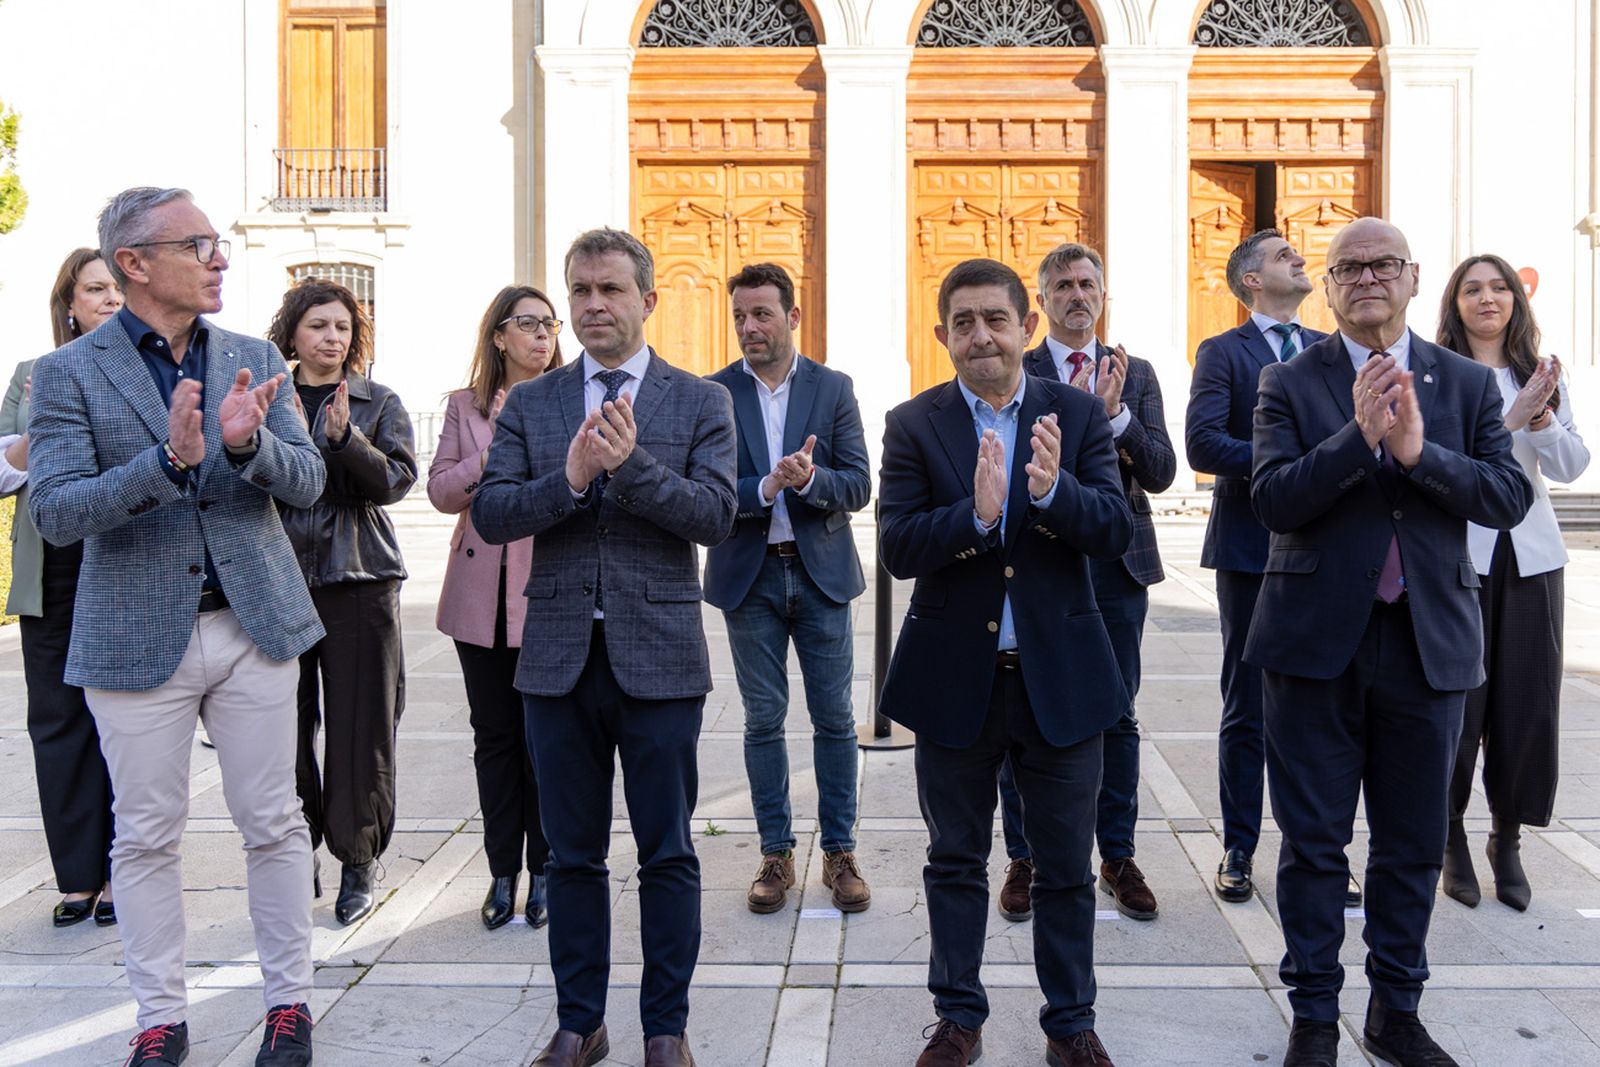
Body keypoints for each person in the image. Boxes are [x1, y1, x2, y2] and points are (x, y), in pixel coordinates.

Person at [27, 187, 325, 1066]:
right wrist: (164, 462)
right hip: (131, 637)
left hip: (253, 623)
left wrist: (246, 447)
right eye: (197, 245)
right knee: (146, 835)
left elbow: (308, 480)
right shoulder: (67, 374)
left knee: (274, 821)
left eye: (216, 242)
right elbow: (55, 510)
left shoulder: (254, 355)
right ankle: (160, 1017)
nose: (217, 257)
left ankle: (289, 1005)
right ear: (134, 263)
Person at [1248, 217, 1532, 1067]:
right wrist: (1357, 439)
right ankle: (1314, 1014)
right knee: (1313, 844)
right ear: (1329, 287)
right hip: (1313, 647)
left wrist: (1416, 452)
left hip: (1428, 643)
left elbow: (1506, 495)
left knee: (1410, 843)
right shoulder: (1287, 381)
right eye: (1349, 267)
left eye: (1384, 265)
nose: (1367, 277)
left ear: (1412, 278)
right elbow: (1272, 499)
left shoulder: (1467, 384)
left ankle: (1396, 1010)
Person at [472, 227, 736, 1067]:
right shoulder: (534, 404)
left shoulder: (702, 402)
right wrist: (572, 479)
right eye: (580, 290)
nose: (593, 305)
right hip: (556, 661)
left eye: (611, 289)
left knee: (668, 852)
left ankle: (665, 1028)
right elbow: (492, 513)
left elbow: (715, 516)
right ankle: (579, 1021)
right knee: (573, 855)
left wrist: (631, 469)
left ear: (647, 300)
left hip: (660, 659)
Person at [878, 257, 1132, 1067]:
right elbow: (896, 546)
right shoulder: (913, 423)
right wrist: (976, 516)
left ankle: (1070, 1022)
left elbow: (1115, 529)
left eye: (995, 318)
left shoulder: (1077, 414)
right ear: (943, 334)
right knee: (955, 859)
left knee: (1065, 866)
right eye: (963, 322)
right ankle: (958, 1016)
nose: (980, 335)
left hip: (1061, 677)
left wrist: (1053, 495)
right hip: (957, 680)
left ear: (1027, 326)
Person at [990, 242, 1174, 924]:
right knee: (1023, 710)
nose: (1077, 294)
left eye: (1087, 284)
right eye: (1062, 285)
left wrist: (1116, 416)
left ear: (1102, 295)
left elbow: (1161, 471)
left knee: (1118, 714)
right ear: (1041, 301)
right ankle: (1025, 857)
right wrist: (1082, 422)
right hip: (1043, 563)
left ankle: (1117, 855)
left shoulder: (1136, 372)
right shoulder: (1021, 367)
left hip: (1118, 569)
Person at [1185, 230, 1361, 908]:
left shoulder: (1330, 349)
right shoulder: (1224, 351)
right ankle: (1238, 845)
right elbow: (1203, 443)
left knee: (1325, 707)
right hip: (1251, 549)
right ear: (1251, 280)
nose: (1299, 258)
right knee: (1248, 705)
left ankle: (1321, 849)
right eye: (1283, 254)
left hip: (1326, 550)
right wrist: (1292, 462)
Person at [703, 263, 873, 916]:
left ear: (793, 316)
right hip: (749, 578)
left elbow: (858, 483)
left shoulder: (833, 388)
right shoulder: (715, 393)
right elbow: (708, 491)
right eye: (739, 316)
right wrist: (766, 488)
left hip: (821, 573)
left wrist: (809, 481)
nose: (749, 326)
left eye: (762, 314)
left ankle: (840, 851)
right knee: (762, 719)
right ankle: (775, 852)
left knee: (834, 718)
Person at [1435, 254, 1589, 911]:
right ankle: (1450, 834)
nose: (1488, 298)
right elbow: (1439, 462)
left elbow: (1573, 465)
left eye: (1499, 287)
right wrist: (1511, 418)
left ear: (1516, 301)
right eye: (1472, 289)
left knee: (1528, 705)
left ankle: (1508, 837)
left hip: (1531, 556)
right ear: (1455, 303)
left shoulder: (1541, 373)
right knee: (1458, 705)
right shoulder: (1439, 373)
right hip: (1459, 557)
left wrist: (1543, 419)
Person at [268, 278, 416, 926]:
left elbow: (396, 480)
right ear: (292, 333)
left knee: (362, 727)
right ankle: (295, 850)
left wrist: (345, 440)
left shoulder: (378, 401)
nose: (332, 337)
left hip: (360, 578)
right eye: (318, 325)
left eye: (343, 327)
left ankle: (358, 859)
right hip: (278, 580)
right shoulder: (268, 397)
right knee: (282, 726)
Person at [429, 284, 563, 930]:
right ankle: (502, 869)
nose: (542, 335)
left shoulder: (569, 403)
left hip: (546, 596)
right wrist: (491, 449)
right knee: (494, 738)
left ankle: (546, 866)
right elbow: (441, 492)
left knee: (545, 740)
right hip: (477, 597)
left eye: (550, 324)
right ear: (500, 336)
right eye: (528, 323)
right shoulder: (465, 407)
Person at [2, 248, 123, 928]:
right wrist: (37, 432)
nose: (110, 299)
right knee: (57, 722)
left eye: (117, 288)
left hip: (123, 567)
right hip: (50, 568)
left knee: (127, 724)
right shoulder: (32, 374)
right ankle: (79, 877)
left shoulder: (147, 372)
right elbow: (2, 467)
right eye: (96, 289)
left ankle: (126, 872)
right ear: (69, 305)